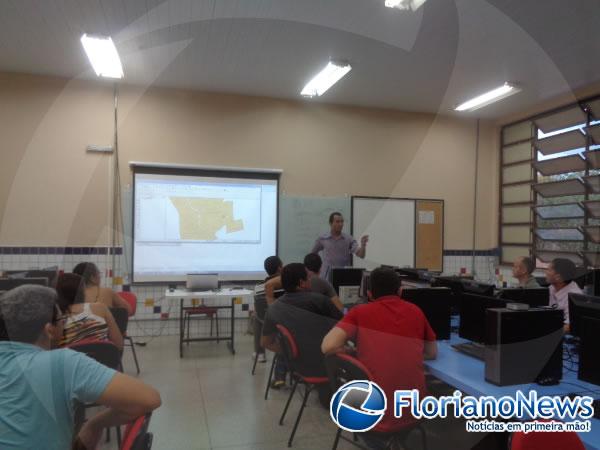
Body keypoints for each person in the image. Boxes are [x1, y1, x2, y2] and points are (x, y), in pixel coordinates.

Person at [0, 285, 161, 450]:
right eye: (63, 321)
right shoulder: (61, 363)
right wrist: (95, 424)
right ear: (49, 330)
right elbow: (149, 399)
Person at [322, 267, 437, 450]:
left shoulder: (360, 313)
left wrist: (352, 352)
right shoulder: (416, 311)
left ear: (369, 293)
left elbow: (328, 346)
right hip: (414, 412)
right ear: (400, 291)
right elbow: (431, 353)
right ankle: (395, 441)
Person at [261, 263, 343, 399]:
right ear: (301, 283)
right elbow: (345, 327)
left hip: (297, 367)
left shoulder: (273, 309)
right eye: (308, 278)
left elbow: (265, 343)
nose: (311, 281)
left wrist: (292, 352)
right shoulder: (319, 301)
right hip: (326, 364)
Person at [56, 273, 124, 350]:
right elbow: (119, 344)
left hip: (68, 361)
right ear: (82, 291)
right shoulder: (100, 308)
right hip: (102, 360)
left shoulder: (55, 316)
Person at [311, 212, 368, 279]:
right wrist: (318, 269)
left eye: (342, 222)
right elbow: (312, 255)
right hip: (326, 277)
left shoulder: (348, 239)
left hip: (343, 276)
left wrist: (363, 246)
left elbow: (361, 255)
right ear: (330, 223)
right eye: (337, 222)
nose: (340, 224)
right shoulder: (322, 239)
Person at [253, 256, 284, 363]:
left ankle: (260, 353)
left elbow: (258, 308)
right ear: (280, 268)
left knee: (256, 316)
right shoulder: (285, 285)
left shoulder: (258, 287)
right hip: (283, 322)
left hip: (267, 320)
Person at [545, 258, 583, 332]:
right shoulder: (552, 287)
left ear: (558, 277)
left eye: (549, 270)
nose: (546, 272)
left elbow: (569, 326)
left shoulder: (574, 296)